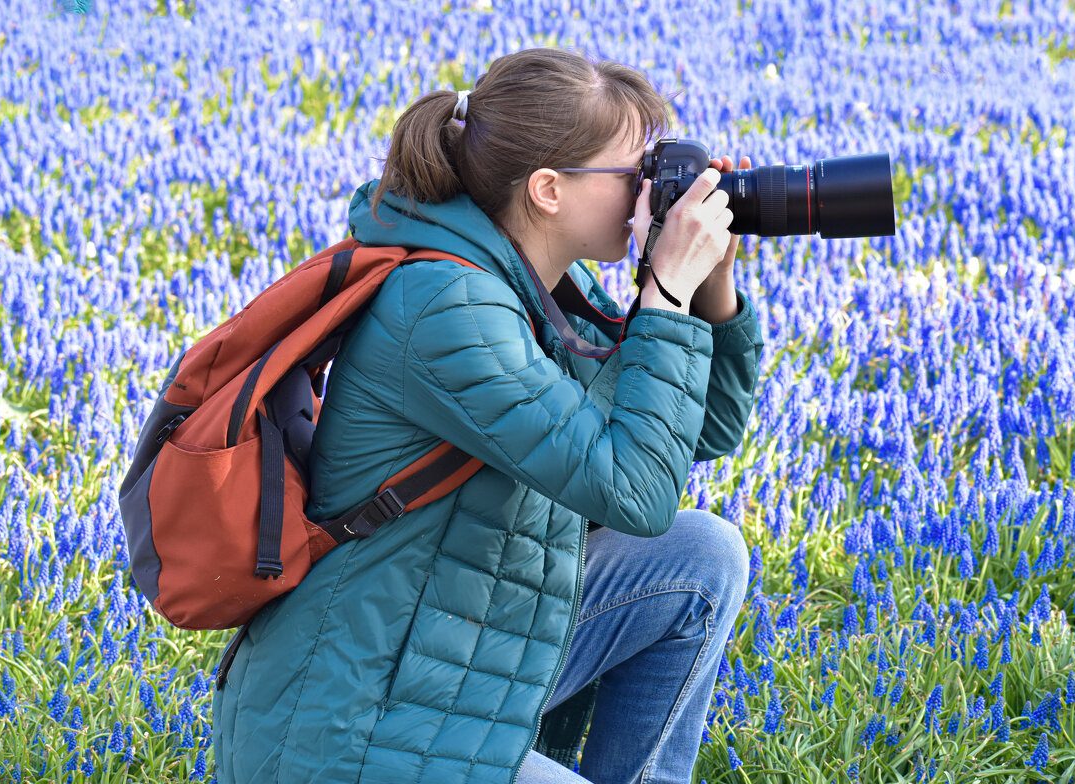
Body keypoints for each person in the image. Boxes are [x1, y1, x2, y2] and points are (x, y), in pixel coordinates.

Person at [212, 47, 764, 784]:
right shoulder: (448, 309)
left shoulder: (534, 288)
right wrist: (664, 293)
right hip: (357, 729)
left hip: (451, 654)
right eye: (636, 173)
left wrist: (709, 292)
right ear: (547, 191)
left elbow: (707, 430)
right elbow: (636, 490)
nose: (653, 195)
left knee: (702, 555)